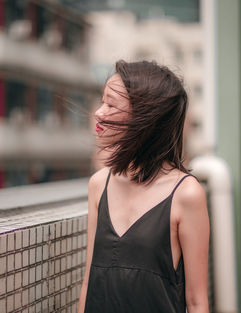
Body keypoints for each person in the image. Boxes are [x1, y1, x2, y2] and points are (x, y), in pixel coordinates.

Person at [78, 60, 210, 313]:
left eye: (111, 104)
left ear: (144, 119)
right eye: (101, 101)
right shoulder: (99, 184)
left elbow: (196, 301)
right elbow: (88, 284)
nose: (98, 112)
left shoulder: (186, 194)